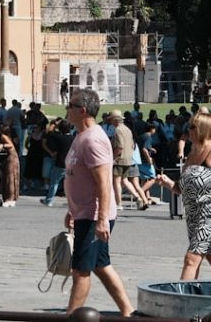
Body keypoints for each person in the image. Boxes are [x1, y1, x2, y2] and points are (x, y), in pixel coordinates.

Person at [62, 89, 134, 317]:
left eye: (70, 105)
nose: (66, 109)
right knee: (101, 265)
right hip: (84, 213)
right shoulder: (80, 135)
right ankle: (128, 311)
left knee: (81, 270)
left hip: (93, 216)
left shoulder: (93, 139)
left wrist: (102, 220)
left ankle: (72, 317)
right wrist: (71, 209)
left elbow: (104, 182)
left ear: (82, 111)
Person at [157, 112, 211, 280]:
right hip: (194, 216)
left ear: (203, 129)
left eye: (193, 127)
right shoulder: (193, 152)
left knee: (191, 259)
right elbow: (182, 188)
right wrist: (168, 184)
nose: (189, 130)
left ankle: (183, 301)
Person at [41, 119, 73, 207]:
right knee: (70, 184)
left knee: (54, 183)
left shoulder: (59, 138)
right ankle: (72, 201)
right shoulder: (73, 138)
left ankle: (49, 200)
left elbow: (49, 132)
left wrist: (55, 123)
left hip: (60, 163)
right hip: (71, 164)